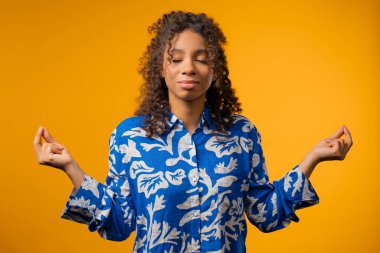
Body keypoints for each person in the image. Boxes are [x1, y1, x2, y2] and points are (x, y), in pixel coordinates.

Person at [33, 11, 353, 253]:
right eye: (176, 59)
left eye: (201, 59)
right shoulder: (130, 137)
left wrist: (313, 159)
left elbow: (265, 214)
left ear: (215, 70)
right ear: (162, 68)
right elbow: (119, 224)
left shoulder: (241, 134)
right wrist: (70, 168)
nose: (189, 67)